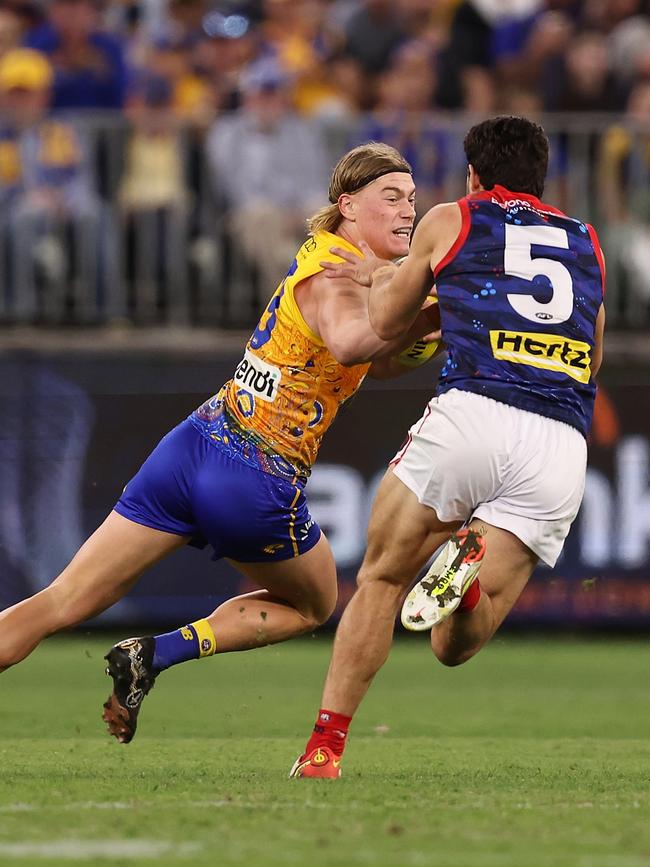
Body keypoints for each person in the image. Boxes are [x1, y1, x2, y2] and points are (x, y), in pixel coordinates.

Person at [0, 142, 441, 745]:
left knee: (62, 598)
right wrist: (427, 306)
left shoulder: (343, 264)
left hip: (195, 443)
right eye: (390, 198)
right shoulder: (340, 271)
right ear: (347, 205)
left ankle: (145, 657)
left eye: (412, 199)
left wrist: (417, 325)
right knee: (315, 604)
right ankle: (159, 653)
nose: (406, 211)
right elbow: (348, 342)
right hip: (253, 476)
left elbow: (374, 359)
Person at [291, 115, 606, 779]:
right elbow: (592, 357)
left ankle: (324, 750)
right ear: (542, 178)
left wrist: (382, 279)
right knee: (453, 647)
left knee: (381, 575)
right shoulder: (588, 242)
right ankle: (461, 589)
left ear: (474, 174)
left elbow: (385, 321)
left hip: (477, 410)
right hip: (561, 441)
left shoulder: (451, 216)